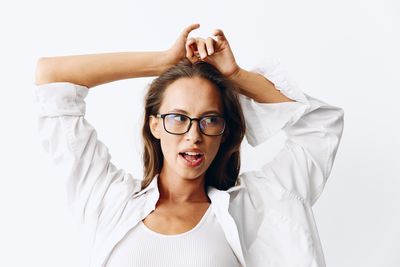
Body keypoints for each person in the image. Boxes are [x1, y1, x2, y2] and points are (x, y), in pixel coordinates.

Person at [33, 23, 344, 267]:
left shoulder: (254, 208)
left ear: (224, 131)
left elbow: (319, 125)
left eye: (209, 120)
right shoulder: (106, 199)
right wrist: (162, 62)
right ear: (154, 124)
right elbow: (53, 78)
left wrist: (235, 76)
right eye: (178, 118)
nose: (194, 135)